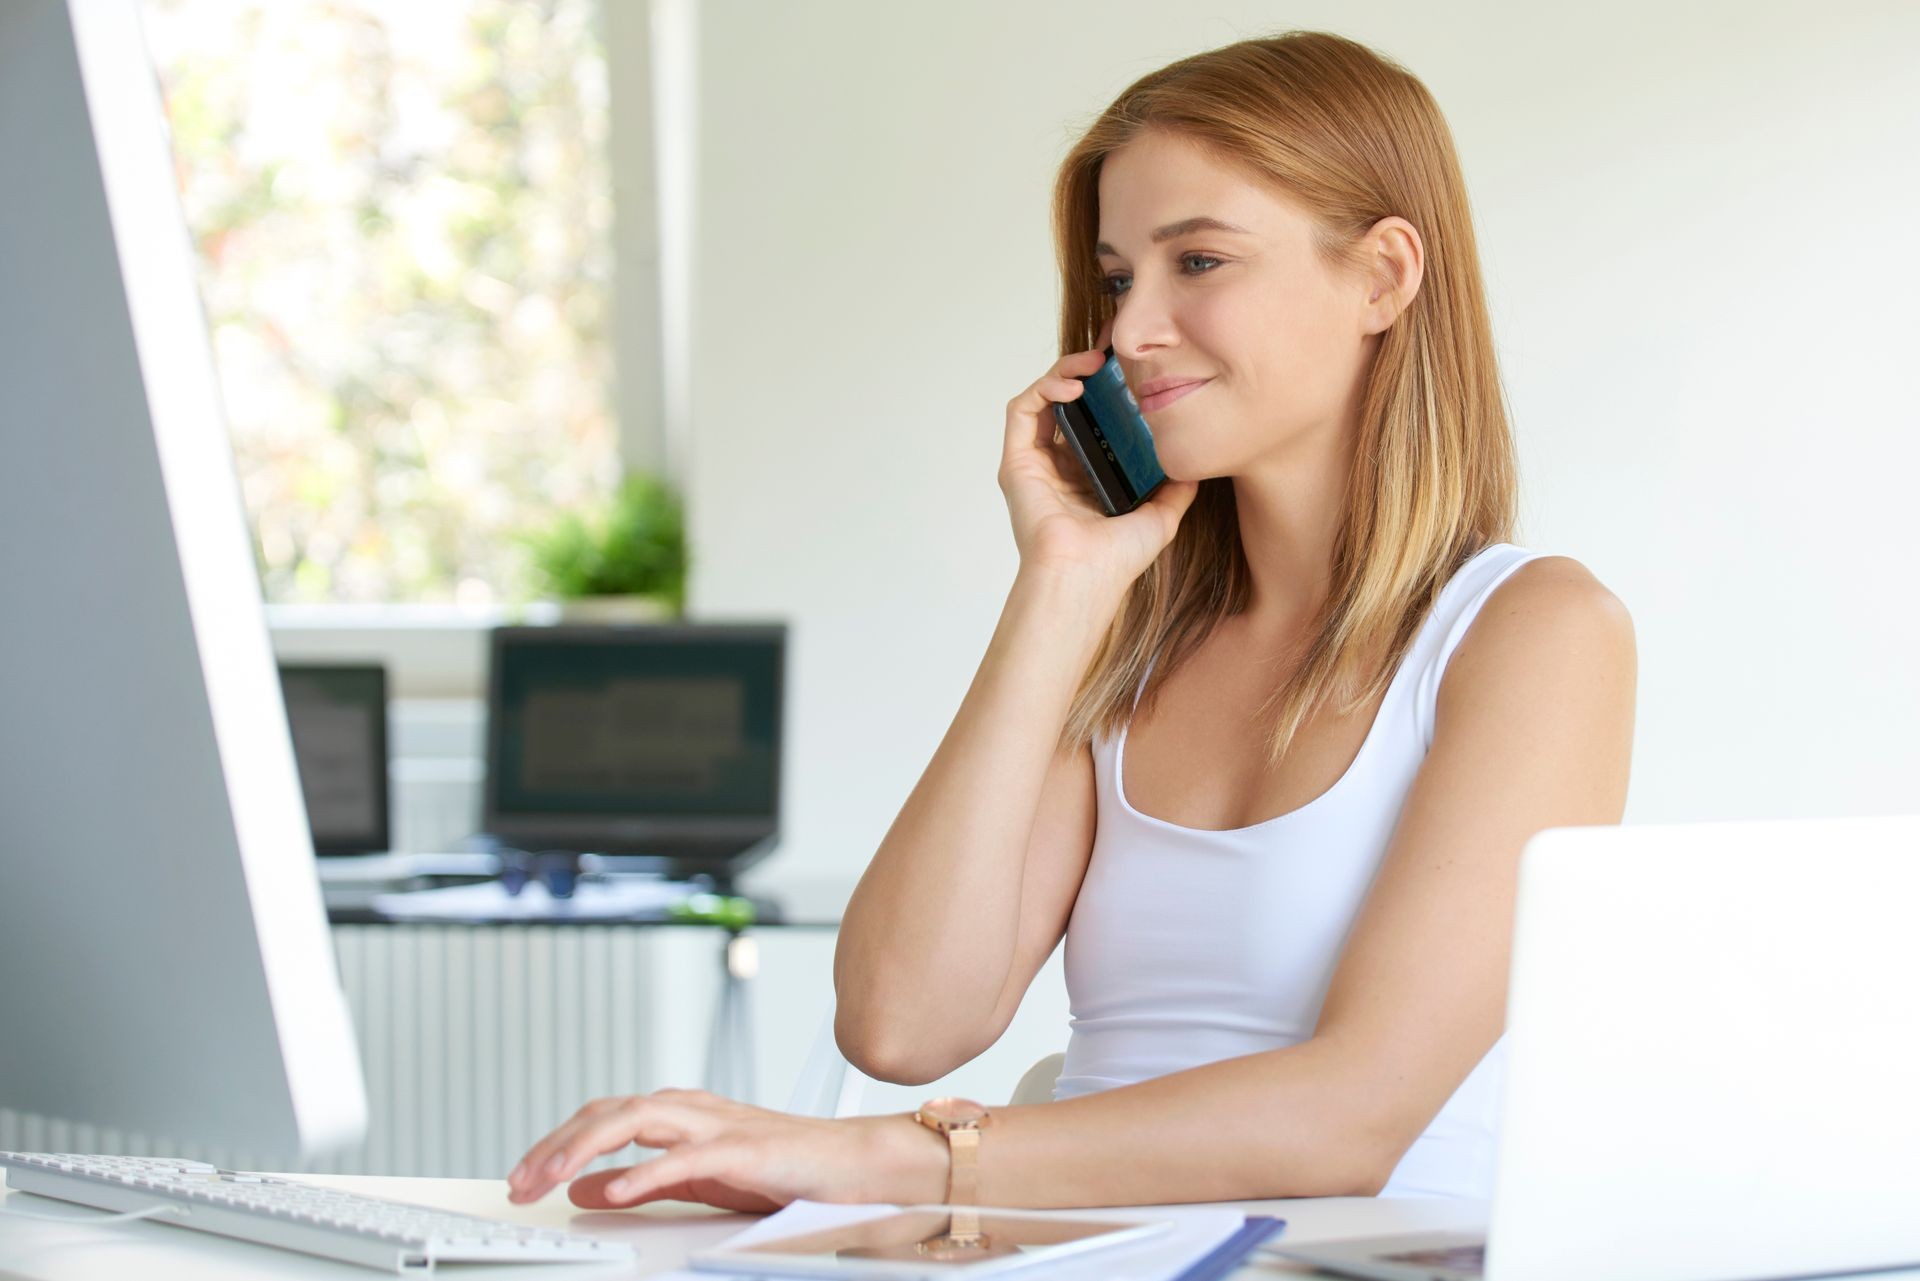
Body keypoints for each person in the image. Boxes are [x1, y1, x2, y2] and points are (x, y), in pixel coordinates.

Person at [505, 28, 1636, 1213]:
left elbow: (1349, 1121)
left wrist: (873, 1158)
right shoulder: (1129, 642)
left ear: (1383, 278)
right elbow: (902, 1022)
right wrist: (1061, 585)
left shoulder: (1530, 635)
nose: (1132, 332)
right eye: (1115, 279)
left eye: (1198, 261)